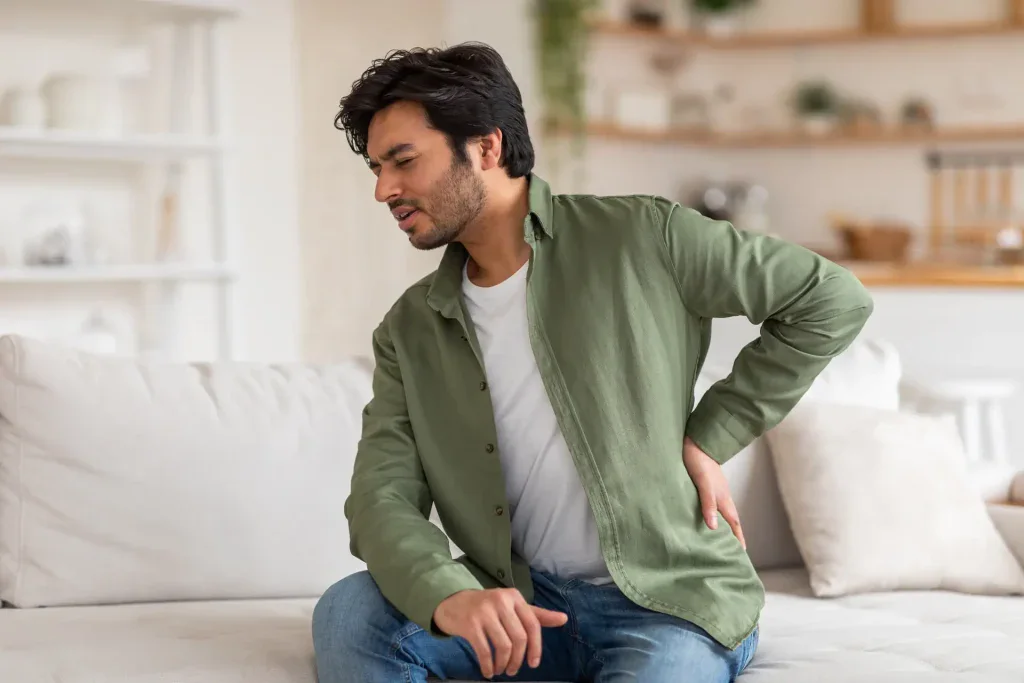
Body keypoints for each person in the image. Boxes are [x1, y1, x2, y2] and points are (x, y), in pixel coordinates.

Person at [312, 42, 872, 683]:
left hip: (669, 608)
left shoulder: (643, 236)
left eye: (404, 160)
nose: (385, 188)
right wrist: (449, 593)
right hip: (522, 609)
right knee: (351, 612)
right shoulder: (409, 329)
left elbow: (830, 299)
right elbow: (381, 497)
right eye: (378, 167)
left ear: (487, 148)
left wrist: (711, 436)